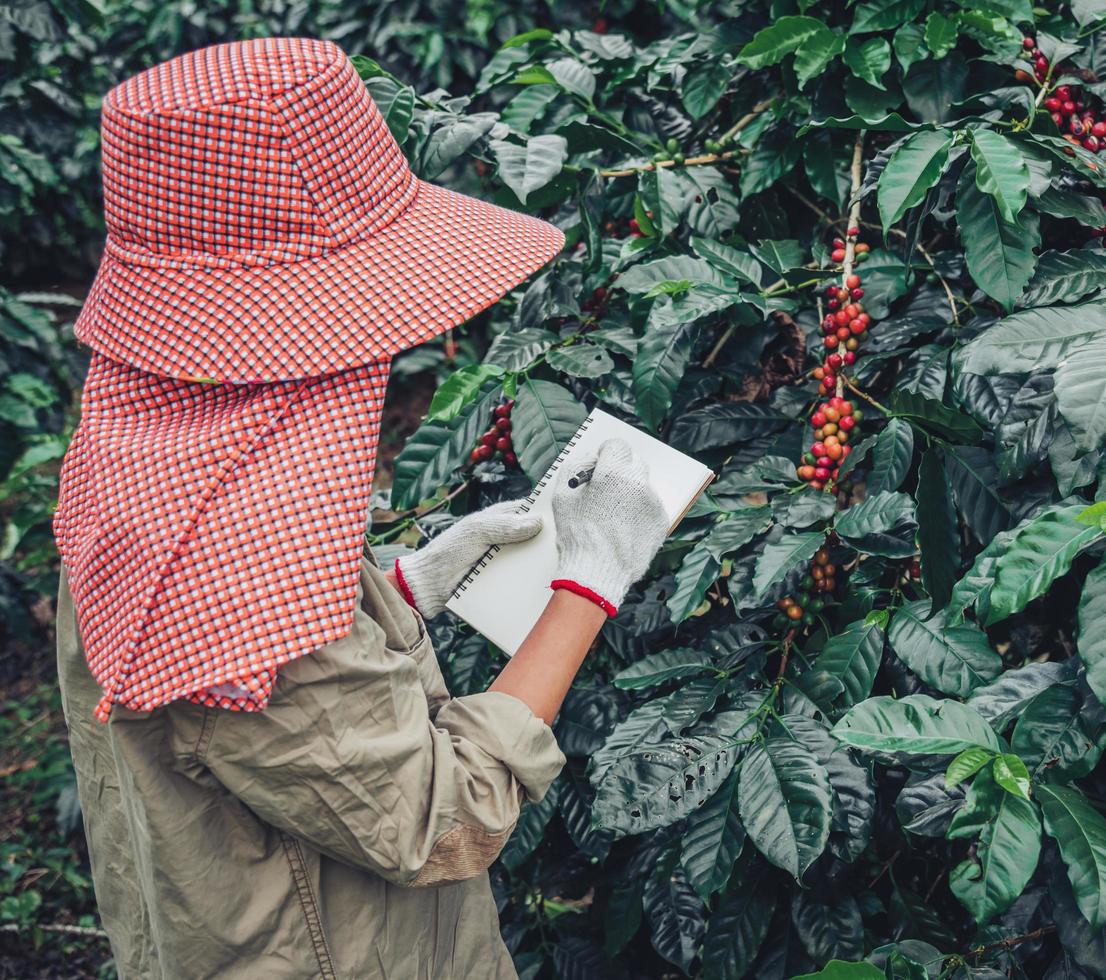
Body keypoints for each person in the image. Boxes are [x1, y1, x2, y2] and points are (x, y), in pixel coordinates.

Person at [52, 37, 667, 978]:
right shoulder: (245, 594)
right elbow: (441, 818)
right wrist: (590, 586)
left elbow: (233, 713)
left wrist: (390, 593)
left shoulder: (133, 461)